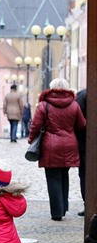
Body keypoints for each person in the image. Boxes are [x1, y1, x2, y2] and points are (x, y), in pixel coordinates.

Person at [28, 78, 86, 221]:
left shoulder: (44, 105)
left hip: (50, 144)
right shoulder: (74, 105)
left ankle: (57, 212)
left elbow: (35, 125)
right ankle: (64, 207)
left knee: (53, 177)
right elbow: (82, 125)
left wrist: (31, 140)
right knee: (64, 175)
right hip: (70, 143)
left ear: (52, 88)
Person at [74, 88, 87, 216]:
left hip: (84, 143)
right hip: (84, 142)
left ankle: (88, 204)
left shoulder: (82, 95)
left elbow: (77, 120)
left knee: (84, 175)